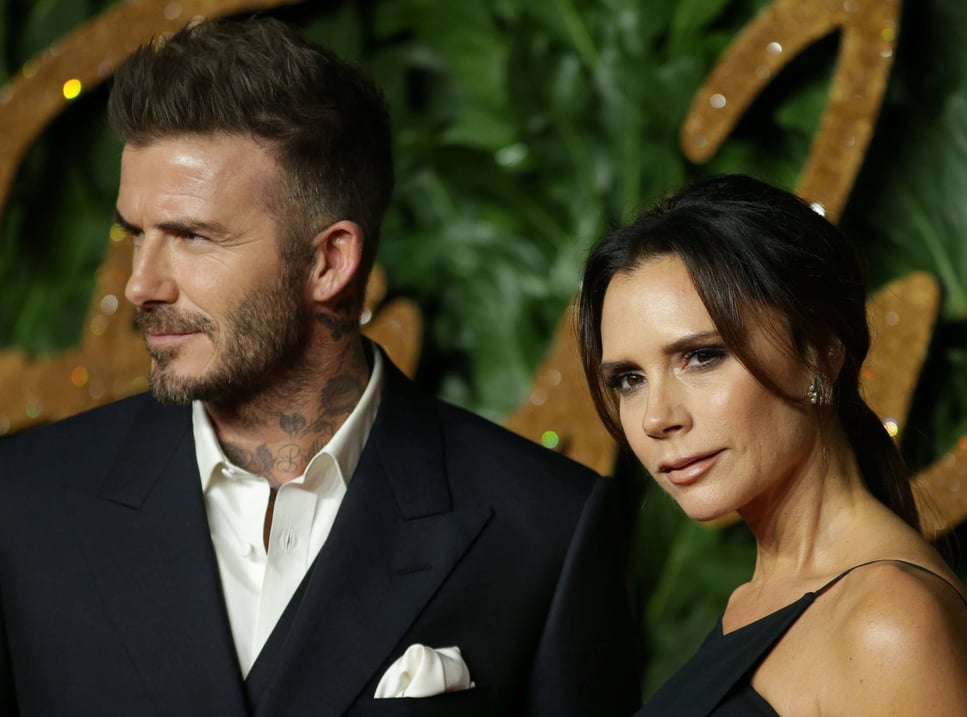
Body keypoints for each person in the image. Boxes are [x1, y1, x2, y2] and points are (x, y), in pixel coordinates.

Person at [0, 17, 640, 717]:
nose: (141, 284)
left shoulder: (544, 524)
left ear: (328, 260)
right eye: (136, 234)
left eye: (190, 236)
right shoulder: (24, 504)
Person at [577, 174, 967, 716]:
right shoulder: (756, 601)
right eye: (629, 379)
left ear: (821, 351)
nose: (657, 418)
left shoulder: (887, 623)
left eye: (702, 356)